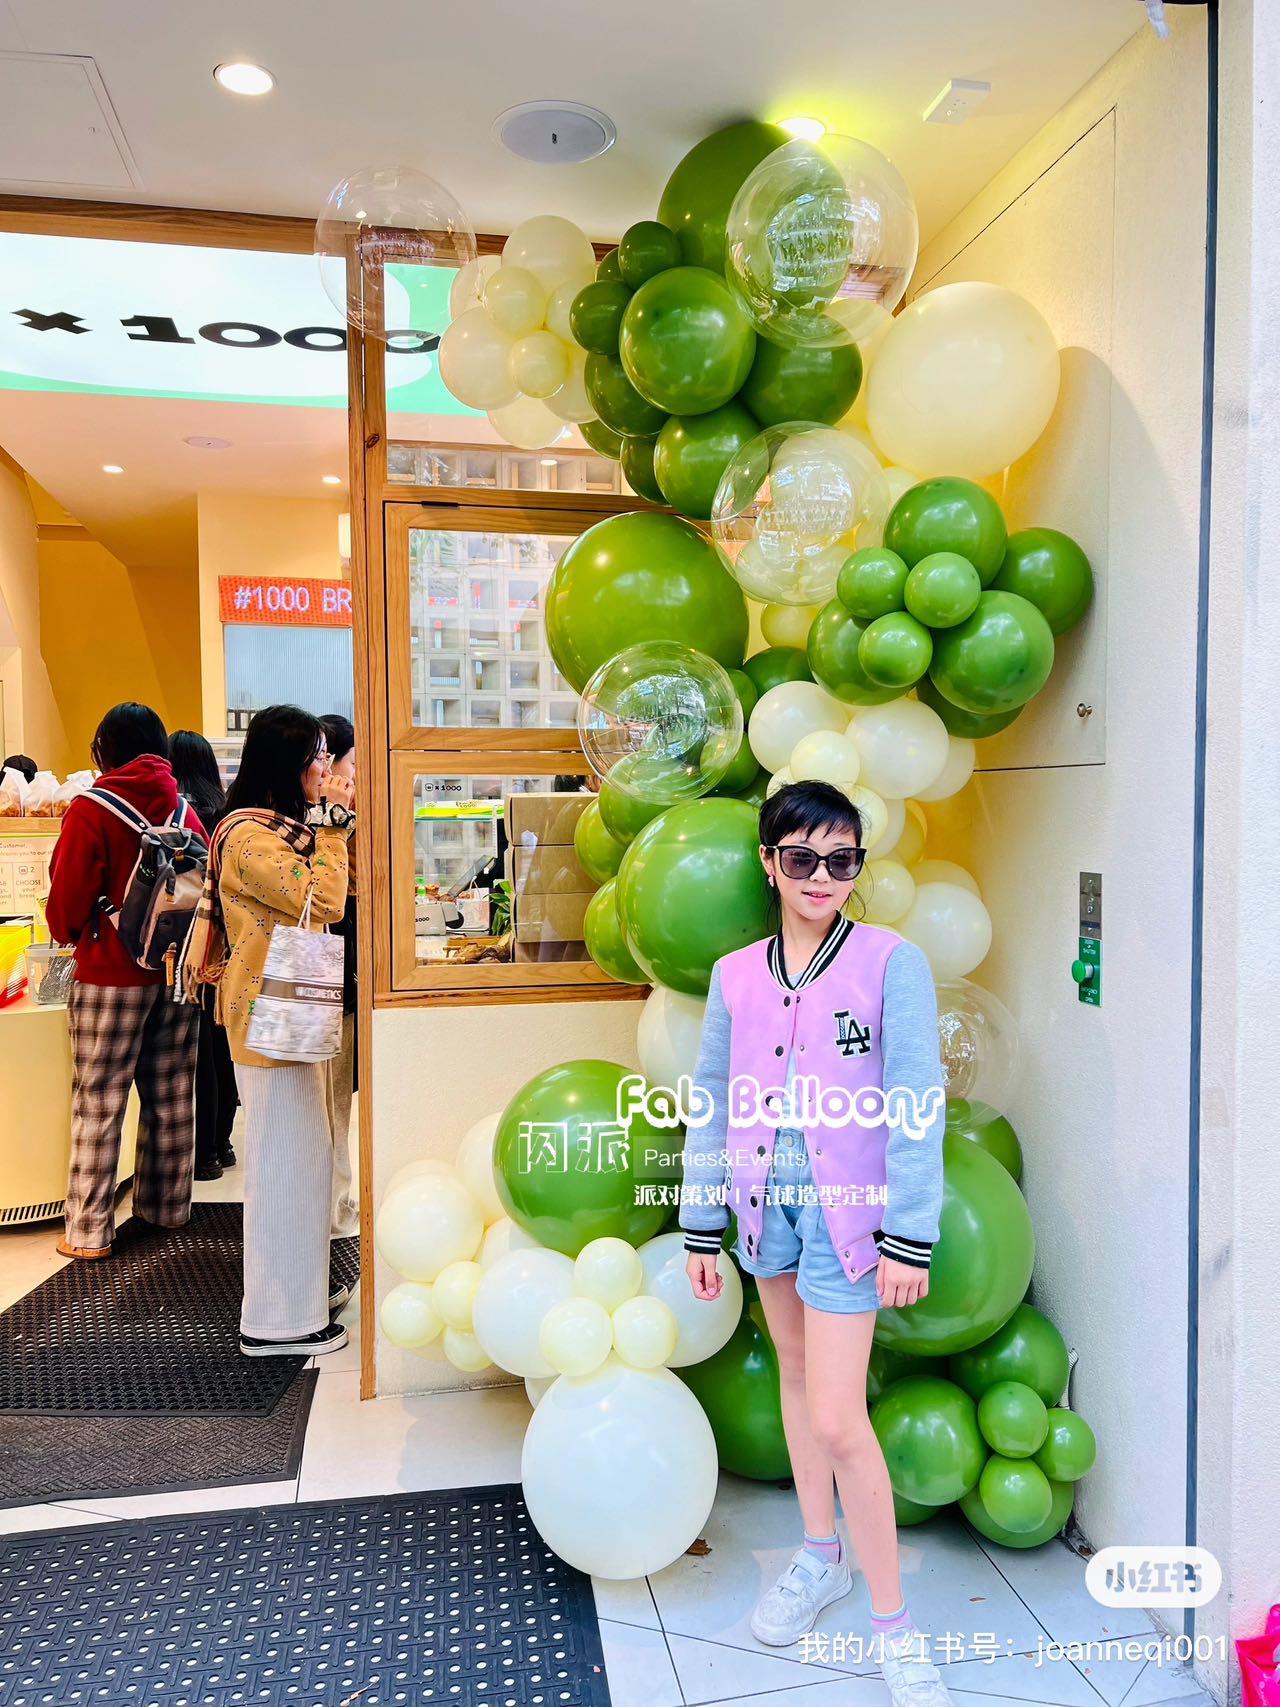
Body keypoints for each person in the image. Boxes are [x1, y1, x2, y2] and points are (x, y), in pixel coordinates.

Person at [680, 780, 953, 1707]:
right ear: (770, 861)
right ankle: (819, 1553)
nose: (822, 876)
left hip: (853, 1214)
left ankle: (894, 1626)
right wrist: (702, 1219)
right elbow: (710, 1103)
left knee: (841, 1414)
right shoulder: (734, 975)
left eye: (843, 860)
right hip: (768, 1208)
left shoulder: (891, 962)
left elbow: (919, 1105)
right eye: (802, 858)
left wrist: (910, 1237)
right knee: (796, 1381)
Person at [193, 705, 353, 1357]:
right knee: (285, 1164)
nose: (325, 768)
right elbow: (324, 900)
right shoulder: (249, 837)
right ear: (285, 765)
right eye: (315, 757)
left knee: (305, 1157)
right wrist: (337, 828)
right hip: (268, 1019)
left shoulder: (276, 828)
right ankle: (277, 1322)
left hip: (284, 1012)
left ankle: (302, 1296)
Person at [45, 702, 207, 1261]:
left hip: (110, 975)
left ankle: (89, 1231)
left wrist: (74, 930)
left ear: (103, 748)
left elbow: (65, 908)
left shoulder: (91, 809)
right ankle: (165, 1210)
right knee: (170, 1095)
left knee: (99, 1100)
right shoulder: (185, 811)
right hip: (175, 972)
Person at [169, 730, 238, 1181]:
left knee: (200, 1056)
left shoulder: (180, 811)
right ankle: (223, 1144)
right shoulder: (224, 808)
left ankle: (204, 1152)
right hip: (229, 943)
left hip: (191, 944)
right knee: (222, 1047)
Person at [317, 714, 359, 1240]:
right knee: (330, 1107)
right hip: (322, 983)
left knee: (338, 1104)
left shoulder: (338, 820)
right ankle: (330, 1210)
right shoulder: (324, 824)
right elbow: (331, 902)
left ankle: (338, 1203)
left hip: (336, 979)